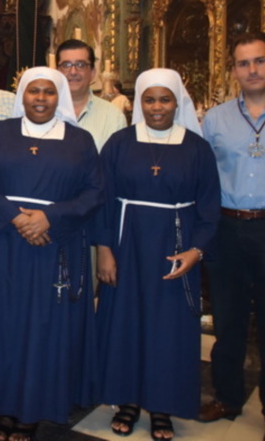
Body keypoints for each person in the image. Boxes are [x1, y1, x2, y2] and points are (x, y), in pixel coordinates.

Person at [0, 66, 102, 441]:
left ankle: (33, 409)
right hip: (5, 243)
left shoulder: (81, 140)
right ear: (22, 95)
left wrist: (49, 218)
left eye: (49, 92)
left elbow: (93, 193)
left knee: (44, 327)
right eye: (33, 91)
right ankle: (2, 404)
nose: (40, 98)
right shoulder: (0, 134)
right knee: (3, 323)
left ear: (60, 97)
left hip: (54, 245)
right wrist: (14, 218)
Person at [96, 68, 220, 439]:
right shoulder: (119, 142)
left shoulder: (196, 147)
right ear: (139, 103)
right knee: (126, 323)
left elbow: (210, 207)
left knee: (169, 329)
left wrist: (197, 250)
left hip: (174, 248)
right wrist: (104, 250)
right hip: (126, 245)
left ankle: (162, 405)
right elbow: (102, 201)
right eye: (149, 99)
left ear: (177, 101)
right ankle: (128, 399)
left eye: (165, 99)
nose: (156, 107)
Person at [200, 32, 265, 432]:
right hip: (227, 227)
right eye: (244, 63)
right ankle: (226, 396)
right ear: (233, 70)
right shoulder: (217, 118)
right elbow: (205, 178)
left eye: (259, 61)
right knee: (228, 318)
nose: (252, 70)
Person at [56, 39, 126, 151]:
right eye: (66, 65)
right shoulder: (43, 114)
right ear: (57, 73)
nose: (73, 72)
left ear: (93, 72)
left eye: (80, 64)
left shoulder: (113, 117)